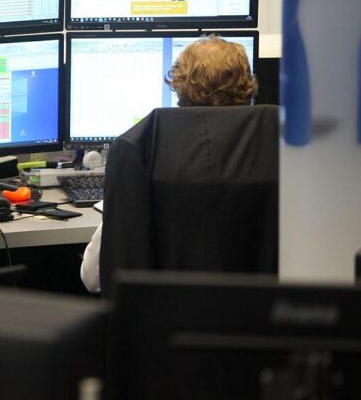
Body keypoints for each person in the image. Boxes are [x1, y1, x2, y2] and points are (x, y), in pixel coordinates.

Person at [80, 35, 260, 294]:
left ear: (179, 87)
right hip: (267, 315)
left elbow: (93, 277)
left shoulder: (139, 149)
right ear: (247, 87)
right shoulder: (280, 147)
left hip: (165, 317)